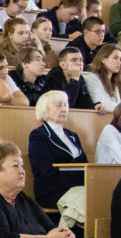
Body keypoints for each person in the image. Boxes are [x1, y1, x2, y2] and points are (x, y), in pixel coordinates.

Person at [29, 91, 88, 224]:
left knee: (98, 196)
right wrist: (77, 177)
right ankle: (66, 231)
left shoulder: (73, 135)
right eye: (59, 105)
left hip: (79, 188)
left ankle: (67, 229)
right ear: (45, 109)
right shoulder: (38, 135)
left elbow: (85, 164)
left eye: (66, 105)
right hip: (53, 191)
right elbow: (43, 171)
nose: (64, 109)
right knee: (87, 200)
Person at [84, 44, 121, 111]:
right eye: (115, 58)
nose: (119, 62)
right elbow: (103, 104)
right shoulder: (92, 79)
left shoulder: (116, 82)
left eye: (120, 59)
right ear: (103, 59)